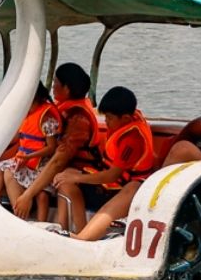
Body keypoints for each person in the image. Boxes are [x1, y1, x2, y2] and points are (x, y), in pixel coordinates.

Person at [57, 86, 156, 240]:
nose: (106, 122)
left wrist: (77, 178)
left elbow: (112, 175)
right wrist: (73, 175)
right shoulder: (129, 118)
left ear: (125, 119)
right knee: (64, 178)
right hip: (111, 182)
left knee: (69, 180)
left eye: (109, 118)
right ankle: (67, 229)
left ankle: (83, 238)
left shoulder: (132, 139)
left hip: (123, 187)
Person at [13, 63, 103, 223]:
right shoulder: (61, 110)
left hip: (84, 172)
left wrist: (28, 195)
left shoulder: (78, 120)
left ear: (67, 89)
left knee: (62, 180)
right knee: (9, 170)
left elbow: (59, 160)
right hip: (60, 165)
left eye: (56, 84)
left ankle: (68, 230)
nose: (52, 88)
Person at [0, 82, 60, 221]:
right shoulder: (28, 115)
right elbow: (19, 136)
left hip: (39, 165)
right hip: (26, 160)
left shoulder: (47, 119)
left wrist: (29, 156)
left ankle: (20, 215)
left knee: (10, 172)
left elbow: (51, 148)